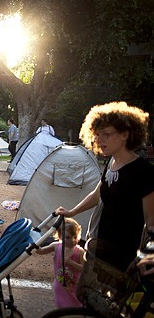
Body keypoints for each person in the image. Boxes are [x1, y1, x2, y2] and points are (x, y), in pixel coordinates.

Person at [56, 101, 154, 271]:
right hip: (102, 248)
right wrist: (72, 212)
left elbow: (152, 222)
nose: (99, 140)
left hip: (126, 257)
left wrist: (147, 257)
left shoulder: (143, 172)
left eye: (105, 134)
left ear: (125, 134)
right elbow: (98, 193)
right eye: (97, 134)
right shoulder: (111, 162)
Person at [36, 218, 85, 308]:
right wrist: (35, 247)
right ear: (59, 236)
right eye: (67, 237)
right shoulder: (56, 246)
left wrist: (72, 263)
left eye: (75, 237)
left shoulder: (79, 251)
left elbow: (84, 268)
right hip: (59, 286)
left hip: (73, 287)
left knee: (74, 307)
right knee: (61, 306)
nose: (72, 240)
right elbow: (42, 251)